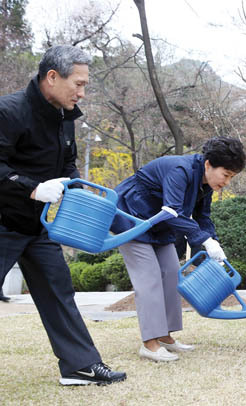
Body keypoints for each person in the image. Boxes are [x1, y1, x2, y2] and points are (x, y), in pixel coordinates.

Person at [0, 45, 126, 386]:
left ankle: (79, 365)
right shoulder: (8, 111)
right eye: (79, 84)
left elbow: (67, 165)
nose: (82, 93)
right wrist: (32, 188)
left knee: (59, 291)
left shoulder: (64, 117)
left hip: (39, 226)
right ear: (52, 77)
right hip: (3, 221)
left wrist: (79, 196)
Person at [111, 137, 246, 362]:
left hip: (159, 223)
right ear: (208, 164)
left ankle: (165, 336)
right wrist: (204, 240)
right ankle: (150, 344)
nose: (227, 182)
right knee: (149, 278)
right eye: (226, 175)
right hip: (132, 218)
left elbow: (202, 217)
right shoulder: (180, 170)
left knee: (172, 273)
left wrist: (214, 244)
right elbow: (173, 210)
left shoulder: (205, 185)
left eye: (231, 177)